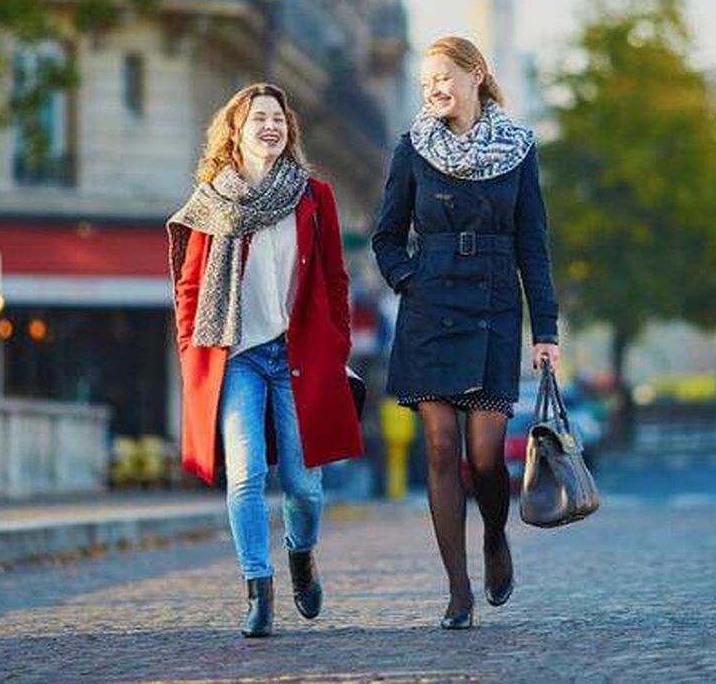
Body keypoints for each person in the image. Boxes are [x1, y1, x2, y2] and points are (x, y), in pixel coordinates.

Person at [372, 35, 560, 629]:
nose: (433, 89)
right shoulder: (412, 150)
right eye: (426, 81)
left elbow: (534, 245)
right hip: (430, 308)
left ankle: (496, 538)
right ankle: (458, 592)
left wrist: (545, 330)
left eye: (442, 77)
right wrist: (410, 278)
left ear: (474, 75)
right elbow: (385, 235)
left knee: (484, 456)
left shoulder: (519, 148)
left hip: (495, 306)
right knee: (440, 448)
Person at [168, 83, 362, 637]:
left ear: (288, 130)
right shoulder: (211, 199)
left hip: (298, 354)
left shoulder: (312, 195)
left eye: (279, 118)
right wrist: (191, 352)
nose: (271, 126)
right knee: (247, 475)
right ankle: (258, 587)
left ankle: (300, 554)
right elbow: (190, 286)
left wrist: (337, 343)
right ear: (236, 129)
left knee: (304, 485)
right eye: (259, 118)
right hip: (239, 357)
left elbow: (334, 277)